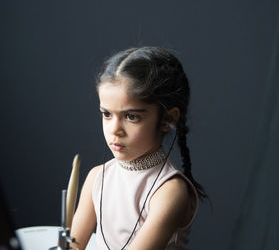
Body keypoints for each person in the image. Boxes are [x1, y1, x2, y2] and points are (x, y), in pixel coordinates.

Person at [71, 47, 207, 250]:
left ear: (168, 120)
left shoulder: (169, 190)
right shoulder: (97, 177)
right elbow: (72, 246)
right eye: (107, 114)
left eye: (131, 116)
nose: (115, 130)